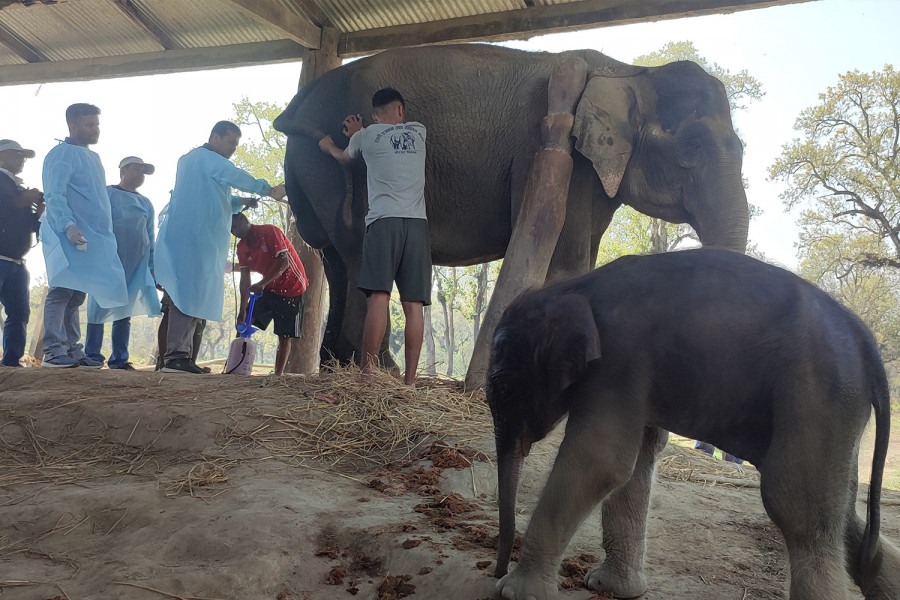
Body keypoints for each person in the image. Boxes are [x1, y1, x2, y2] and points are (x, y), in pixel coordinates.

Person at [153, 121, 286, 374]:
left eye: (236, 144)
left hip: (200, 240)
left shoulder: (195, 162)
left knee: (194, 294)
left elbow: (213, 199)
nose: (233, 148)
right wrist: (267, 189)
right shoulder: (203, 158)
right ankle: (176, 358)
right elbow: (233, 175)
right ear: (215, 136)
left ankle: (181, 357)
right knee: (188, 295)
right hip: (194, 240)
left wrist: (239, 202)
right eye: (230, 142)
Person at [319, 87, 431, 385]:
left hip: (383, 223)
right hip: (417, 225)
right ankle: (409, 382)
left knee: (379, 299)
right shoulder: (419, 132)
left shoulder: (365, 137)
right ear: (401, 110)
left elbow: (345, 158)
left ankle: (367, 375)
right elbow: (393, 135)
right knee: (414, 305)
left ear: (373, 115)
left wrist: (330, 144)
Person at [40, 103, 128, 368]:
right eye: (89, 125)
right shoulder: (61, 154)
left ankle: (72, 348)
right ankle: (53, 350)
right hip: (69, 233)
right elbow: (54, 194)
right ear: (73, 125)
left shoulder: (93, 157)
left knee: (78, 292)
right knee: (62, 289)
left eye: (97, 124)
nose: (95, 129)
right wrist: (67, 224)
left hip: (93, 236)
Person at [83, 157, 162, 370]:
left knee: (124, 311)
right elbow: (95, 221)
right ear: (124, 170)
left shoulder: (146, 203)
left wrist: (152, 266)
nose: (140, 175)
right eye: (136, 169)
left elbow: (149, 235)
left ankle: (119, 359)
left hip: (134, 265)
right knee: (98, 307)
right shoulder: (107, 193)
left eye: (143, 172)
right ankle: (92, 356)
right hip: (107, 262)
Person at [231, 212, 308, 376]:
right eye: (231, 230)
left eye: (235, 226)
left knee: (284, 334)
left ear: (244, 220)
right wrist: (242, 310)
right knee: (246, 321)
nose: (234, 232)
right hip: (269, 287)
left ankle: (277, 375)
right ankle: (236, 368)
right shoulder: (241, 248)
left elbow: (284, 262)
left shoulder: (269, 231)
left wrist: (262, 283)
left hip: (292, 288)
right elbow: (245, 280)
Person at [0, 139, 44, 367]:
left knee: (19, 313)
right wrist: (21, 201)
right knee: (17, 313)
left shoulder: (17, 186)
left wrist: (37, 214)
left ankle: (11, 361)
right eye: (17, 154)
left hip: (17, 260)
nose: (22, 159)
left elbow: (28, 224)